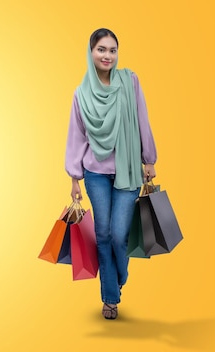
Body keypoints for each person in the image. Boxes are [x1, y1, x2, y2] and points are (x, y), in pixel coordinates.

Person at [65, 28, 157, 320]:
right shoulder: (81, 94)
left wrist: (149, 159)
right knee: (102, 235)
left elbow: (142, 119)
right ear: (90, 53)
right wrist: (74, 177)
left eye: (112, 50)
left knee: (119, 236)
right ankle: (110, 298)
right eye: (101, 49)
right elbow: (77, 137)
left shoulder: (129, 82)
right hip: (95, 173)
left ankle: (117, 276)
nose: (107, 55)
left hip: (128, 171)